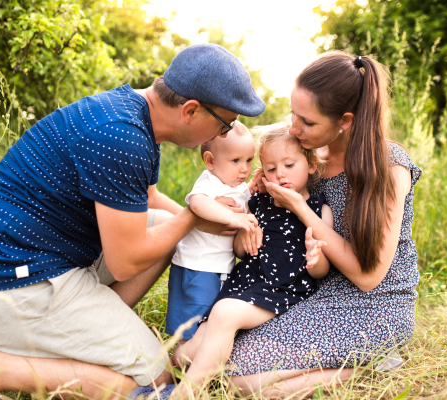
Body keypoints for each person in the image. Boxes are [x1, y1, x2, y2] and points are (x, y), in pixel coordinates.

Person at [0, 43, 266, 400]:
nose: (226, 131)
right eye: (225, 123)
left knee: (161, 221)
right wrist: (194, 217)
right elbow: (125, 262)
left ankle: (91, 328)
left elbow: (149, 201)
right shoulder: (122, 136)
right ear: (191, 110)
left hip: (39, 263)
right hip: (6, 291)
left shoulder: (133, 112)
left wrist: (212, 212)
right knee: (152, 381)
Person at [222, 52, 422, 398]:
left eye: (307, 122)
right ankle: (351, 359)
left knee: (242, 382)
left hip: (377, 304)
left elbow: (368, 276)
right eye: (292, 114)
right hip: (315, 290)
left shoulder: (389, 168)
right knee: (226, 358)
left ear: (345, 120)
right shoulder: (311, 161)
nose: (294, 129)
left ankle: (369, 362)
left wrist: (300, 207)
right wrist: (261, 179)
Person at [168, 123, 333, 398]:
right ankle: (216, 364)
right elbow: (242, 251)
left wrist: (315, 259)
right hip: (242, 284)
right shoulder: (258, 203)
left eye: (289, 165)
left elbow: (321, 271)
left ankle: (186, 393)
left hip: (281, 288)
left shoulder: (317, 210)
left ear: (311, 164)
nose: (279, 174)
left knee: (225, 313)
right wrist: (241, 242)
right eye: (270, 168)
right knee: (182, 357)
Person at [165, 121, 258, 343]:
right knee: (195, 321)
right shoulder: (210, 182)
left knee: (205, 315)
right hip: (198, 265)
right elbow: (197, 204)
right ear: (210, 161)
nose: (244, 168)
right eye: (236, 160)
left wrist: (255, 188)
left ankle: (188, 353)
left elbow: (245, 196)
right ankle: (185, 358)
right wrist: (233, 217)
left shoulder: (239, 188)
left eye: (248, 160)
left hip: (214, 266)